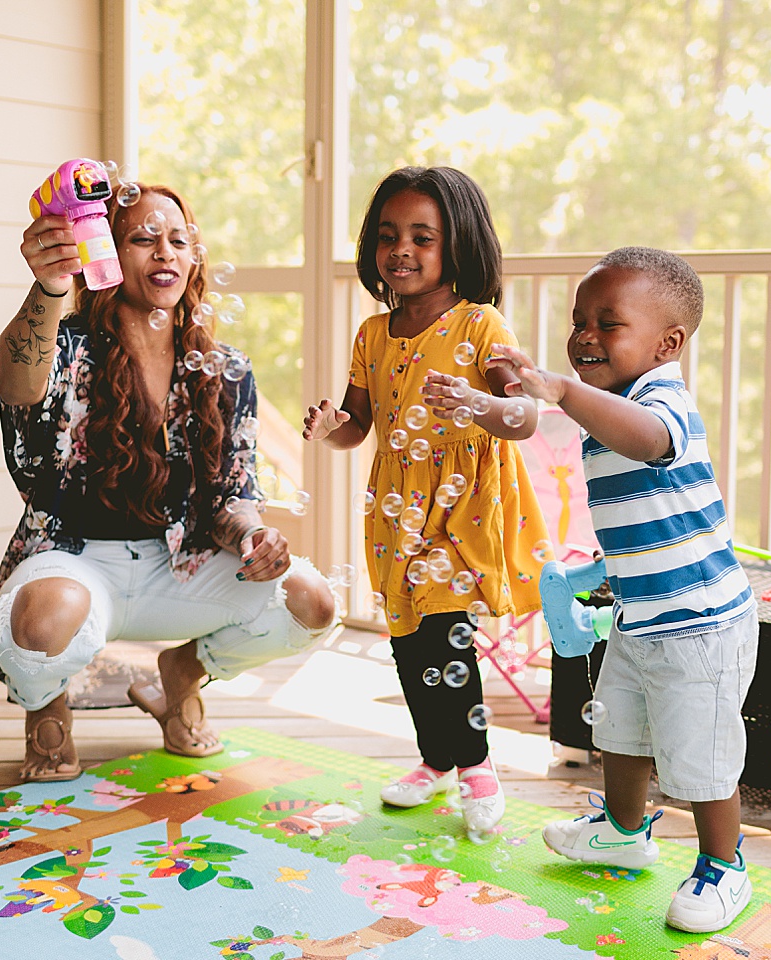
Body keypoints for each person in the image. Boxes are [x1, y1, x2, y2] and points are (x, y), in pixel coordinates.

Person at [0, 182, 338, 783]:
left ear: (194, 259)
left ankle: (183, 674)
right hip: (76, 561)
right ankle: (47, 703)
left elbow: (234, 493)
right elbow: (17, 384)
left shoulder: (226, 370)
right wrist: (48, 288)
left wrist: (253, 535)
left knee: (313, 601)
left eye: (178, 240)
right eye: (142, 239)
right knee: (40, 626)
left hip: (180, 567)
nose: (164, 252)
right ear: (106, 254)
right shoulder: (63, 347)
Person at [488, 246, 758, 933]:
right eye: (579, 320)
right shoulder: (610, 406)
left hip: (699, 626)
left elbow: (648, 443)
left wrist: (563, 391)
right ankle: (623, 830)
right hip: (641, 614)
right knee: (623, 729)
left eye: (608, 323)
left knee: (701, 755)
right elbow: (644, 511)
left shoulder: (661, 400)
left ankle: (725, 866)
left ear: (668, 343)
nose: (584, 335)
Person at [302, 166, 551, 836]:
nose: (400, 250)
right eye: (387, 236)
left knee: (444, 628)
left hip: (462, 502)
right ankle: (435, 759)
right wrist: (330, 427)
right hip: (396, 507)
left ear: (458, 246)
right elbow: (358, 427)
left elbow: (522, 415)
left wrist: (477, 402)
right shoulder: (372, 336)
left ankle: (477, 767)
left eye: (422, 236)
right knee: (409, 638)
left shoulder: (479, 324)